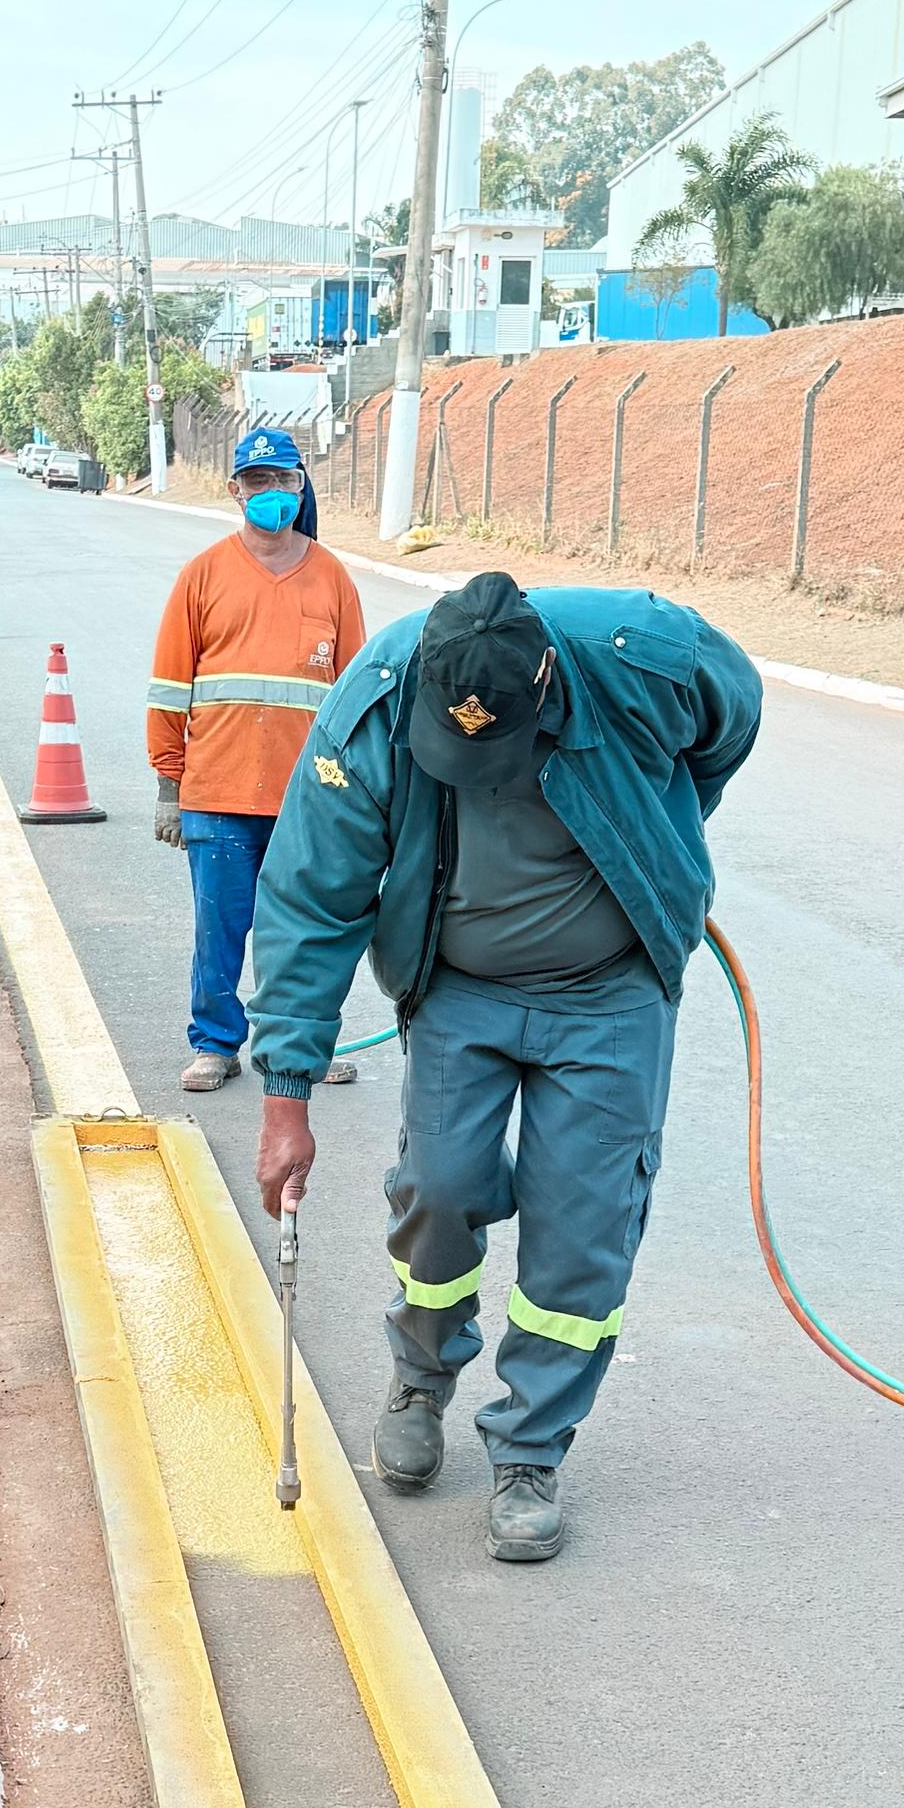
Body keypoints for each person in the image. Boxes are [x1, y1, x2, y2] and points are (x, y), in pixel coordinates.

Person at [246, 565, 761, 1565]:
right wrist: (286, 1091)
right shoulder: (384, 699)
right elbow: (312, 894)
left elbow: (728, 724)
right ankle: (421, 1372)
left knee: (584, 1224)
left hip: (609, 994)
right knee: (439, 1189)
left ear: (547, 685)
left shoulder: (640, 654)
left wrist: (664, 832)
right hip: (461, 991)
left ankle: (530, 1448)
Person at [145, 425, 367, 1096]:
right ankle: (215, 1044)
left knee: (302, 932)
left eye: (286, 480)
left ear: (302, 487)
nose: (274, 493)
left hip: (309, 797)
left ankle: (299, 1046)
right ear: (235, 489)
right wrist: (168, 784)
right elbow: (167, 686)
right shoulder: (203, 575)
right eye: (259, 481)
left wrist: (360, 795)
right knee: (220, 928)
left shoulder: (330, 577)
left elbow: (357, 692)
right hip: (216, 791)